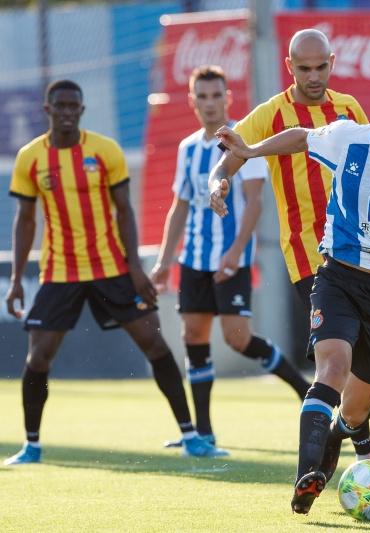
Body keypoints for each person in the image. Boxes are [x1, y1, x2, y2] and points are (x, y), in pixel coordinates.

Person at [212, 77, 370, 515]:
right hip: (337, 279)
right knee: (333, 368)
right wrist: (250, 151)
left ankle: (343, 438)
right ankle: (307, 478)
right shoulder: (347, 138)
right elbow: (300, 137)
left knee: (356, 411)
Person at [3, 79, 227, 466]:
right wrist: (16, 280)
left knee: (155, 344)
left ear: (81, 110)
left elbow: (124, 211)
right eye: (60, 106)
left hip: (111, 268)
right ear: (48, 110)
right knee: (38, 358)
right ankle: (31, 446)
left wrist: (134, 268)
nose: (67, 112)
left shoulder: (104, 151)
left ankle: (191, 437)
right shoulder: (30, 158)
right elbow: (25, 220)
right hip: (60, 272)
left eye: (74, 106)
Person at [205, 29, 370, 461]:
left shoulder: (349, 108)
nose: (314, 76)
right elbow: (229, 159)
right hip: (308, 255)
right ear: (289, 67)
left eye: (321, 67)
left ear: (332, 63)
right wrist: (217, 184)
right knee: (338, 356)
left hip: (357, 248)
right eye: (304, 68)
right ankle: (356, 451)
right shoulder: (271, 113)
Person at [149, 65, 311, 449]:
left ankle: (304, 389)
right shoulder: (188, 148)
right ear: (193, 101)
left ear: (227, 98)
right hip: (193, 259)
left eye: (216, 95)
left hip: (231, 258)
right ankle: (202, 433)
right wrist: (164, 262)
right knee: (193, 335)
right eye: (202, 96)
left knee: (237, 338)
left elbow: (254, 201)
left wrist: (236, 251)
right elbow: (180, 207)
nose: (210, 103)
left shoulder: (242, 138)